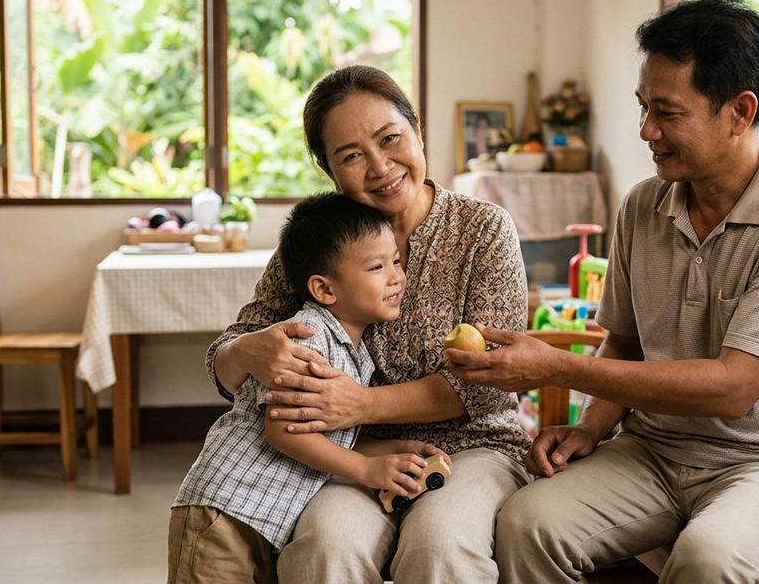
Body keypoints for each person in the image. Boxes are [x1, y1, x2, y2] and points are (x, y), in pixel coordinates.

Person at [445, 0, 759, 584]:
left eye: (667, 112)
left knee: (707, 559)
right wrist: (589, 428)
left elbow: (733, 388)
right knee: (526, 522)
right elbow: (625, 343)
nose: (646, 131)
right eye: (643, 107)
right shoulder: (643, 205)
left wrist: (557, 367)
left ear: (741, 112)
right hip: (653, 452)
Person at [206, 64, 531, 584]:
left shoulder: (482, 229)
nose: (380, 167)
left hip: (475, 447)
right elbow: (229, 354)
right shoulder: (325, 241)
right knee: (325, 548)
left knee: (440, 545)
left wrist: (361, 403)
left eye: (390, 139)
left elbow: (490, 380)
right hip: (350, 452)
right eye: (352, 156)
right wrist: (245, 352)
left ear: (417, 129)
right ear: (328, 170)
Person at [169, 193, 449, 583]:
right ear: (325, 289)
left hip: (262, 518)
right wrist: (367, 468)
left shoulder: (351, 350)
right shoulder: (309, 342)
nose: (396, 276)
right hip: (226, 513)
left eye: (396, 261)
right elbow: (284, 430)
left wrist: (394, 449)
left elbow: (319, 434)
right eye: (376, 266)